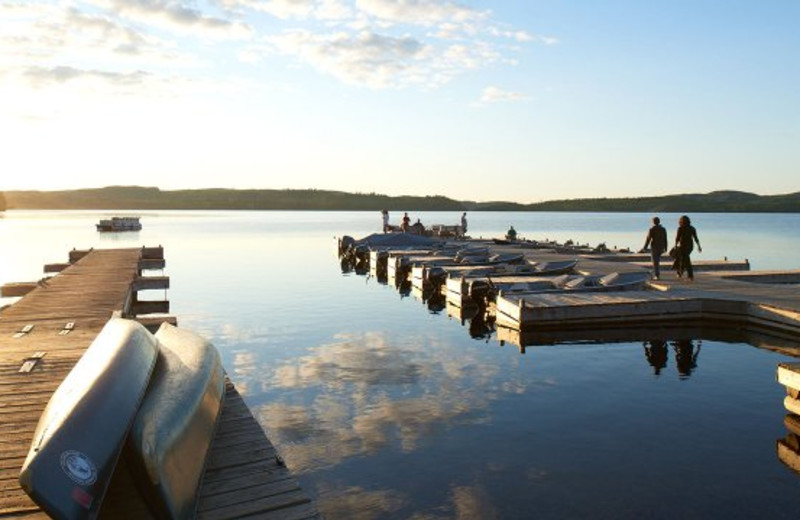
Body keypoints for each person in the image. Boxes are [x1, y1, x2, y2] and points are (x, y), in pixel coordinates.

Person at [674, 215, 702, 281]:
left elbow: (677, 238)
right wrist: (699, 246)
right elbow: (696, 238)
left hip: (683, 246)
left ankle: (685, 274)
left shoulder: (680, 228)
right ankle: (683, 273)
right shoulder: (692, 228)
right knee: (685, 259)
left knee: (685, 260)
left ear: (681, 221)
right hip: (690, 246)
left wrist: (675, 245)